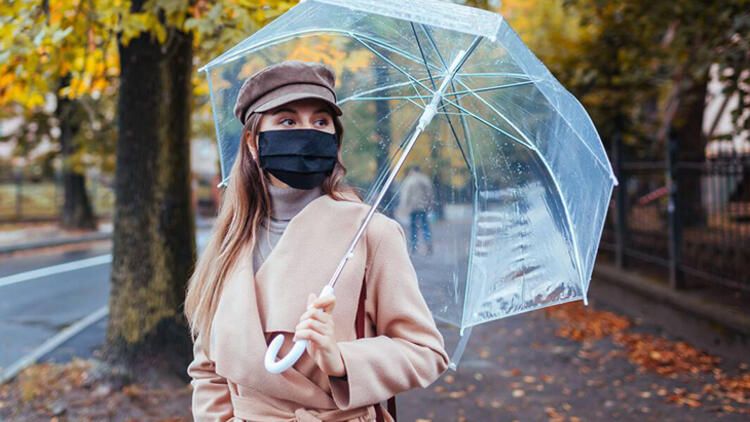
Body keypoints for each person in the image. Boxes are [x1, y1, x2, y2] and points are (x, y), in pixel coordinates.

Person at [183, 60, 449, 422]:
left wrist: (341, 360)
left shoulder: (371, 232)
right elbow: (208, 369)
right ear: (253, 142)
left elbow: (425, 352)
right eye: (288, 121)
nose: (306, 133)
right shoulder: (230, 241)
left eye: (321, 122)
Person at [397, 165, 435, 255]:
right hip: (423, 206)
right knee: (425, 225)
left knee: (413, 227)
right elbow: (430, 192)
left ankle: (414, 246)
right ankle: (428, 242)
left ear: (412, 170)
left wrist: (403, 207)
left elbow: (405, 195)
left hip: (412, 207)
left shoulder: (409, 181)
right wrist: (429, 203)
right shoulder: (425, 179)